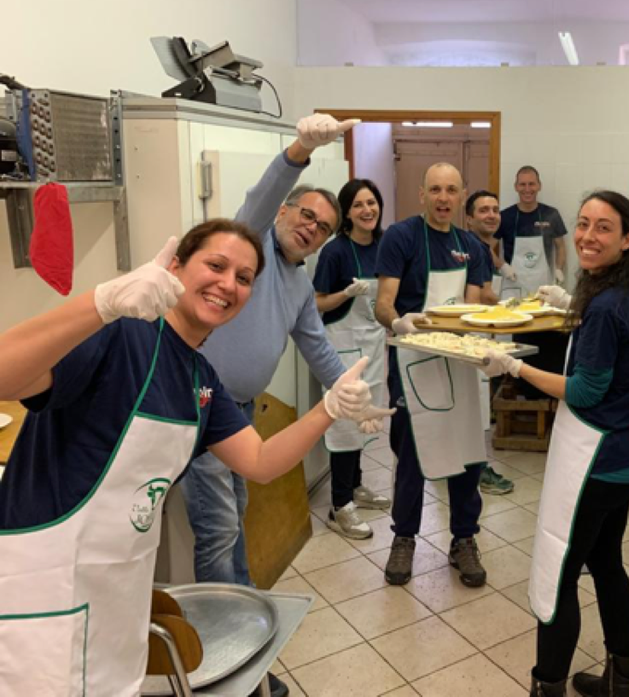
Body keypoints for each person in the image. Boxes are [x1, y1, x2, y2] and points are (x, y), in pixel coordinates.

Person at [0, 219, 388, 696]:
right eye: (216, 266)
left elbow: (260, 461)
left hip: (120, 592)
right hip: (41, 584)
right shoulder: (119, 335)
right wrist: (100, 303)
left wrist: (328, 410)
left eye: (244, 278)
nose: (228, 284)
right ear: (176, 268)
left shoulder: (201, 379)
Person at [480, 191, 629, 697]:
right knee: (607, 561)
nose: (587, 236)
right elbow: (622, 345)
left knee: (559, 575)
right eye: (583, 223)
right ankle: (622, 678)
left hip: (596, 460)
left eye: (603, 227)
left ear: (627, 238)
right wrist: (574, 309)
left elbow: (586, 391)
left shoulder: (607, 304)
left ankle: (548, 686)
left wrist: (515, 367)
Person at [178, 113, 355, 596]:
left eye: (323, 228)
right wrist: (300, 150)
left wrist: (352, 394)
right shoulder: (250, 246)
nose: (312, 228)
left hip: (239, 412)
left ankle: (241, 600)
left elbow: (317, 346)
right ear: (282, 213)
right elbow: (262, 195)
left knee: (234, 512)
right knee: (218, 525)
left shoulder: (300, 285)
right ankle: (225, 626)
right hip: (200, 402)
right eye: (306, 215)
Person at [375, 162, 491, 587]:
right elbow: (383, 302)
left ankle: (464, 539)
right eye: (436, 190)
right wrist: (399, 322)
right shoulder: (401, 237)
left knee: (468, 451)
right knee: (412, 454)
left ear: (462, 196)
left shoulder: (471, 247)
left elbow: (471, 310)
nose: (444, 198)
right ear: (422, 194)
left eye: (452, 190)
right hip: (413, 362)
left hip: (458, 362)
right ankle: (404, 537)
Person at [312, 178, 393, 539]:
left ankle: (356, 486)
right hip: (342, 347)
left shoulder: (385, 246)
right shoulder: (335, 252)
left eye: (371, 203)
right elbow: (317, 303)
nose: (367, 210)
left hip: (373, 346)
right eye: (358, 204)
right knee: (345, 424)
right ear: (346, 212)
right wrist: (345, 294)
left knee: (365, 419)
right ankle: (339, 505)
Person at [464, 189, 518, 495]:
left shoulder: (482, 247)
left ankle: (468, 465)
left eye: (495, 210)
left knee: (473, 404)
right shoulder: (474, 246)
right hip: (471, 336)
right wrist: (517, 308)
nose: (492, 215)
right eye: (483, 210)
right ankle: (477, 469)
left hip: (476, 331)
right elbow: (484, 295)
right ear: (469, 218)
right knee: (474, 405)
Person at [496, 165, 567, 299]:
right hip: (513, 286)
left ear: (539, 186)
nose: (527, 189)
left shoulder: (551, 214)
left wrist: (559, 269)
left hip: (543, 286)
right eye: (522, 184)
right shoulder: (504, 216)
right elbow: (486, 247)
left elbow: (561, 246)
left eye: (532, 184)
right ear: (516, 187)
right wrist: (502, 266)